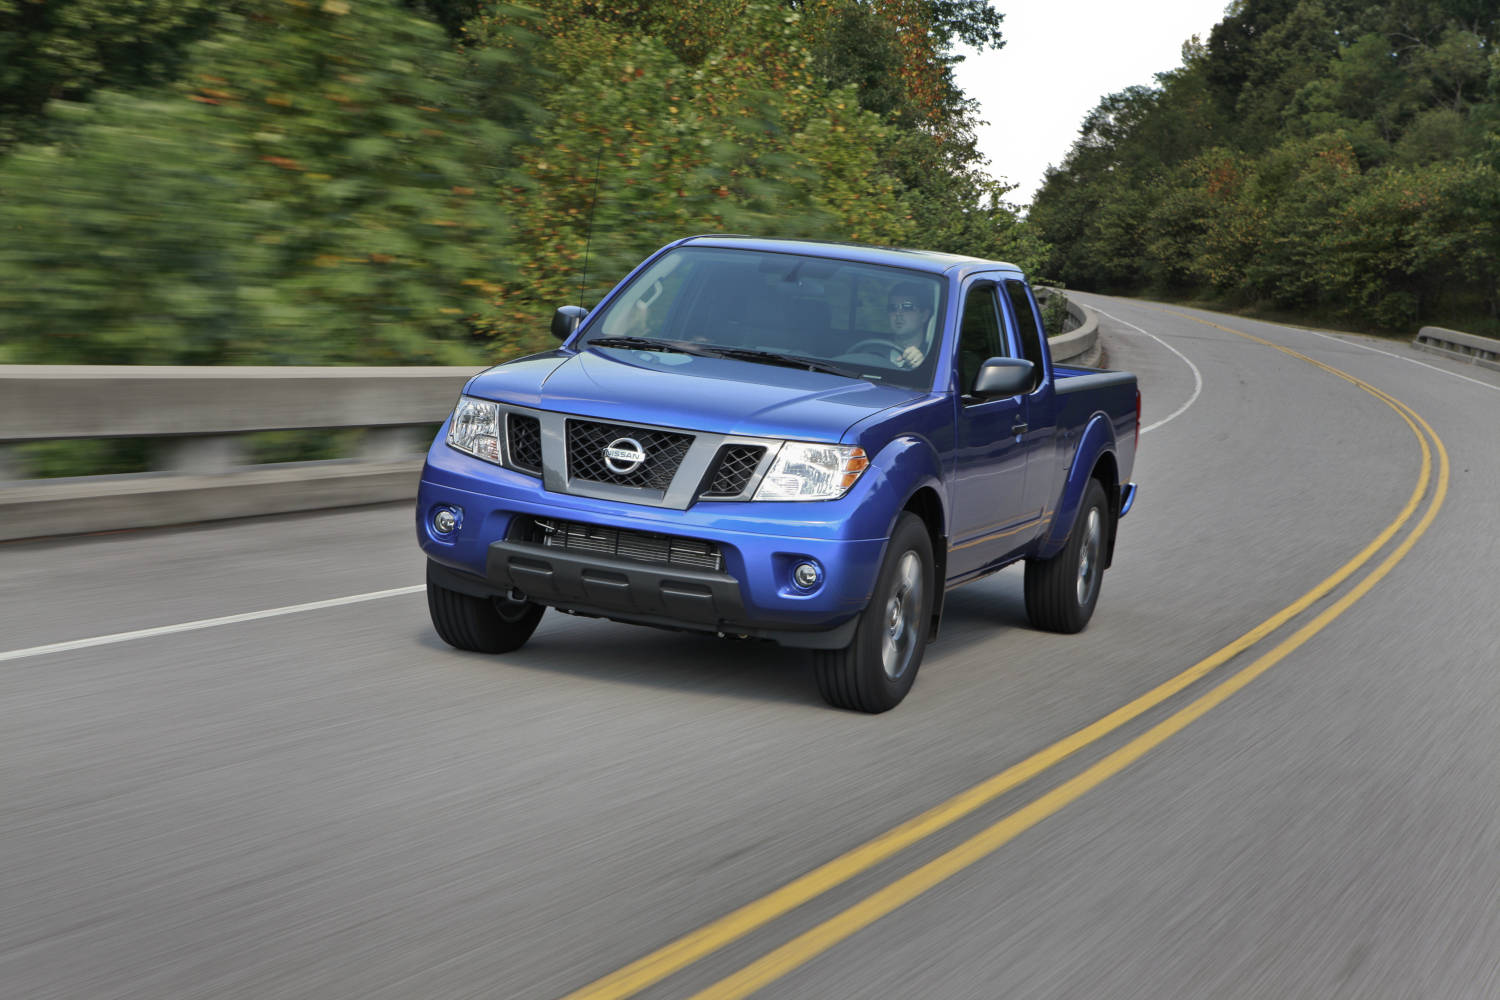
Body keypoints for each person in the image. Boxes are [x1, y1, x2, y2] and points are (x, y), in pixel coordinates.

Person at [885, 281, 933, 368]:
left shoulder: (935, 357)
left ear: (924, 315)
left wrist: (923, 367)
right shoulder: (872, 350)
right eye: (893, 308)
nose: (898, 313)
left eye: (907, 307)